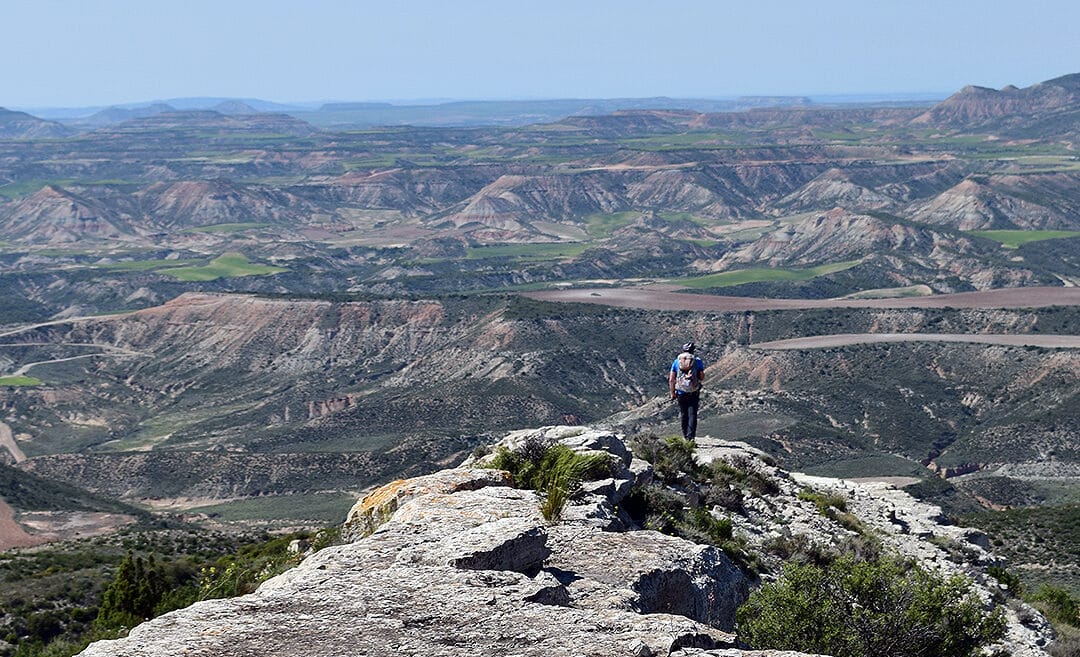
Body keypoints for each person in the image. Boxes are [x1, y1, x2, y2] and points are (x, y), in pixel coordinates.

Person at [669, 342, 705, 442]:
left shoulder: (676, 362)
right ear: (693, 350)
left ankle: (685, 436)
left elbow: (671, 379)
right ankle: (691, 438)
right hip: (693, 391)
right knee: (692, 414)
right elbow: (701, 377)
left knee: (684, 414)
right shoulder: (697, 361)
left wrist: (673, 393)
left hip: (680, 392)